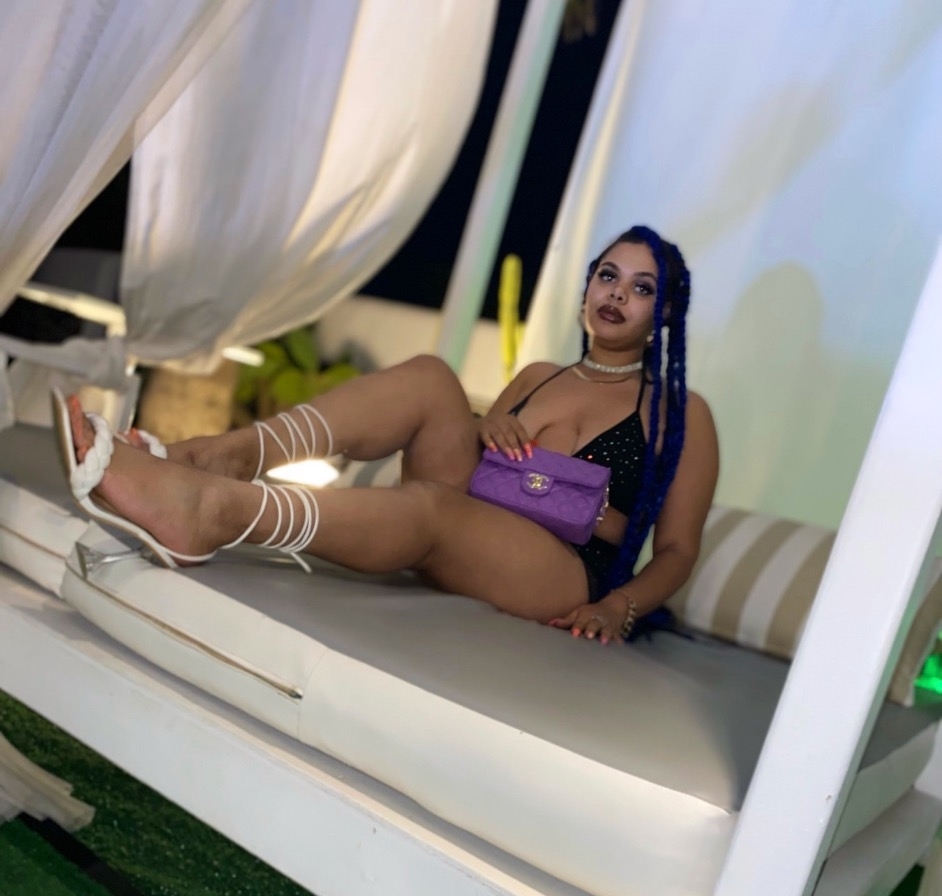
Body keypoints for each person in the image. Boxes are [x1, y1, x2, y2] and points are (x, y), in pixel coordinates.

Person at [60, 225, 719, 645]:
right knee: (431, 378)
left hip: (563, 569)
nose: (616, 294)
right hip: (476, 521)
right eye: (607, 275)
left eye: (641, 288)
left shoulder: (681, 413)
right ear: (589, 286)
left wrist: (619, 606)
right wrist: (486, 425)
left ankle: (215, 511)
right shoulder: (540, 375)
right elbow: (489, 474)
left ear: (665, 311)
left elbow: (678, 551)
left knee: (431, 507)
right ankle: (216, 457)